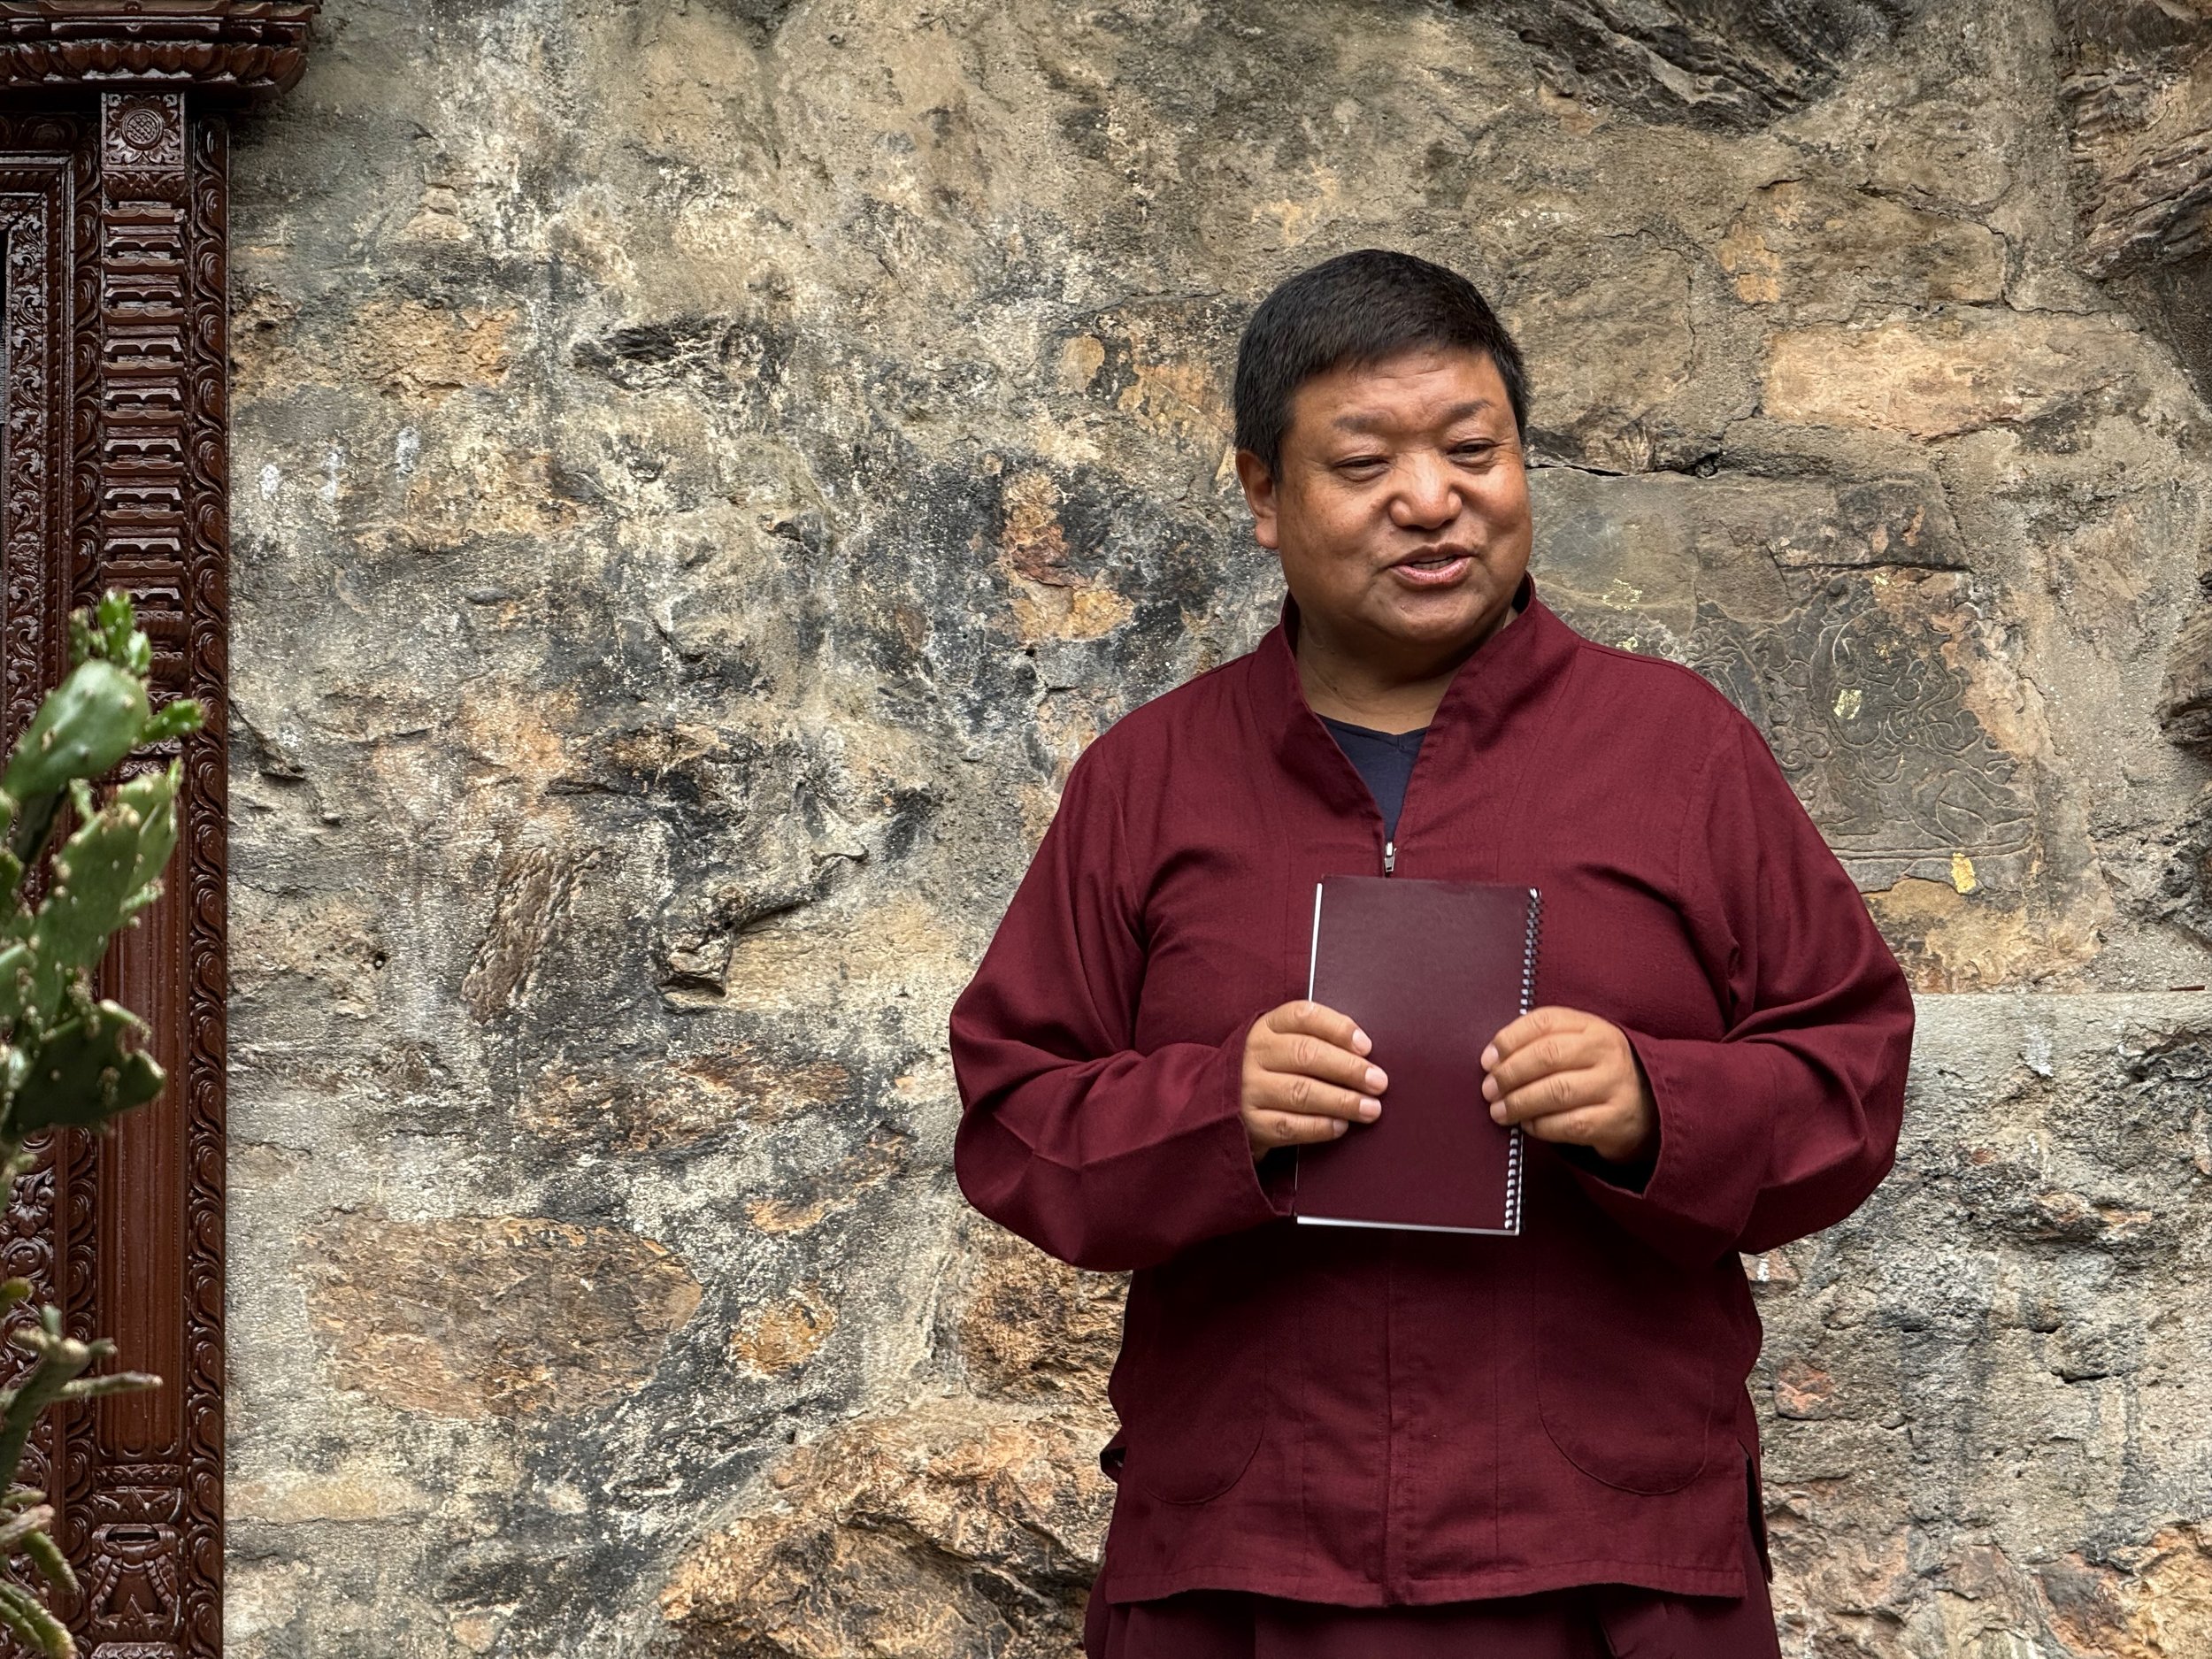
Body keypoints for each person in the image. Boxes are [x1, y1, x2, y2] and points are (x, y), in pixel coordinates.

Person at [949, 250, 1915, 1658]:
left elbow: (1852, 1070)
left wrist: (1659, 1104)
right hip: (1245, 1555)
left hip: (1609, 1553)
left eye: (1474, 449)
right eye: (1362, 461)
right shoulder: (1149, 779)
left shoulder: (1675, 751)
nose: (1431, 498)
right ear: (1262, 496)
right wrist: (1215, 1108)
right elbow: (1013, 1115)